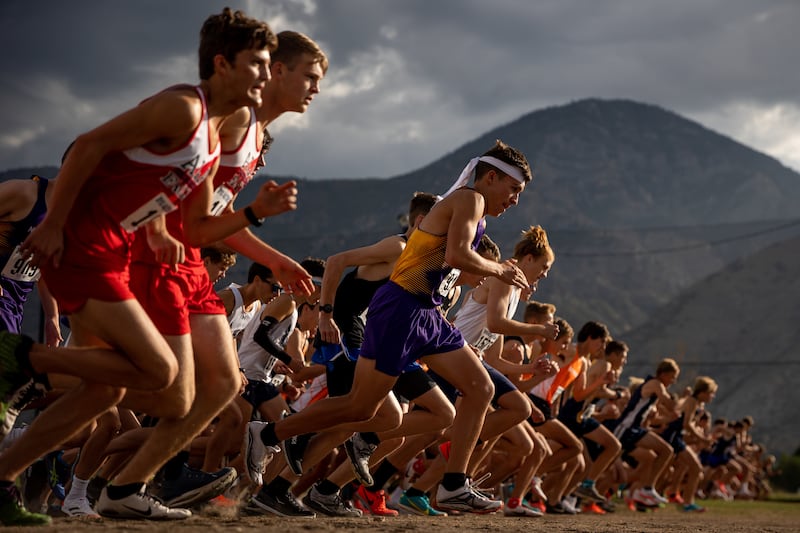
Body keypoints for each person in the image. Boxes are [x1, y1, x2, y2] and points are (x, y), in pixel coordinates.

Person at [0, 8, 283, 525]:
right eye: (258, 64)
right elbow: (88, 145)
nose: (267, 76)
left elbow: (189, 221)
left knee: (119, 393)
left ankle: (4, 473)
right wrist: (56, 222)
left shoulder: (213, 139)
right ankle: (23, 358)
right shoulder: (181, 108)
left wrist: (251, 214)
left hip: (118, 249)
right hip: (83, 245)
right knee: (162, 375)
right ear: (222, 64)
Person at [245, 139, 533, 514]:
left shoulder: (473, 210)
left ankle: (453, 484)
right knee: (361, 407)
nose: (515, 201)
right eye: (514, 190)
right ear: (491, 177)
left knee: (478, 388)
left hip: (424, 312)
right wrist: (500, 269)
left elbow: (448, 264)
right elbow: (456, 254)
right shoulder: (469, 199)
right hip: (400, 310)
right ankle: (271, 436)